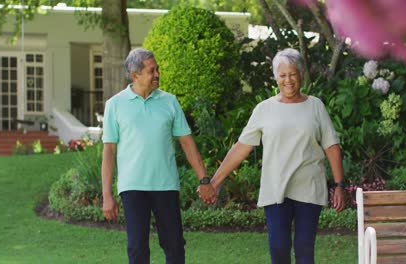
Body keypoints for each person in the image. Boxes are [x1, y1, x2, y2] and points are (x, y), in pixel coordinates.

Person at [202, 48, 345, 264]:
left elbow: (331, 146)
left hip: (309, 187)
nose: (288, 80)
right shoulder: (263, 109)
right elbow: (241, 147)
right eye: (283, 75)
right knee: (279, 249)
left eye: (293, 74)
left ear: (302, 75)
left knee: (305, 252)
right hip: (275, 189)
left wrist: (339, 185)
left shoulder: (315, 106)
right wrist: (214, 182)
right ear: (276, 77)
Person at [101, 48, 216, 264]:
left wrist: (204, 180)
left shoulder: (170, 102)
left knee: (174, 245)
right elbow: (109, 152)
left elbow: (187, 143)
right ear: (135, 75)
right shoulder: (115, 105)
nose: (157, 75)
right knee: (137, 248)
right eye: (151, 71)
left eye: (157, 69)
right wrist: (107, 194)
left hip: (165, 185)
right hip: (132, 186)